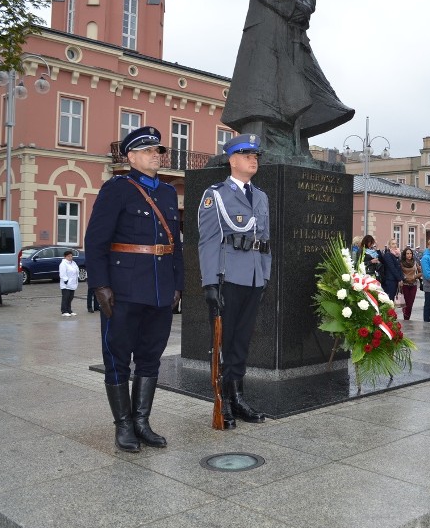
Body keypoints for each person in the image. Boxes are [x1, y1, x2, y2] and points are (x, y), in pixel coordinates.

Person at [84, 126, 183, 452]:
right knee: (117, 358)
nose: (158, 155)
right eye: (151, 150)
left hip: (159, 291)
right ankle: (123, 425)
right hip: (123, 289)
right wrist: (100, 285)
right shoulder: (117, 189)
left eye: (159, 151)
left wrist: (177, 284)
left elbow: (176, 245)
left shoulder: (168, 194)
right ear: (132, 156)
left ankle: (142, 422)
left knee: (150, 358)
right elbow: (95, 241)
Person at [221, 0, 354, 157]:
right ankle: (261, 140)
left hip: (294, 30)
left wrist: (304, 7)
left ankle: (296, 141)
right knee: (262, 90)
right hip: (266, 22)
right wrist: (291, 6)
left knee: (299, 84)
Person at [198, 133, 271, 427]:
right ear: (232, 160)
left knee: (241, 342)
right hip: (228, 278)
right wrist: (210, 283)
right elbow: (207, 241)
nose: (253, 160)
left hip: (253, 278)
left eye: (255, 156)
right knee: (224, 343)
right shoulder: (215, 194)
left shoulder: (262, 196)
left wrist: (264, 275)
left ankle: (238, 397)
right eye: (247, 155)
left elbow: (264, 240)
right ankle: (223, 400)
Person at [400, 247, 421, 320]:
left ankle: (407, 318)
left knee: (410, 303)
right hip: (405, 285)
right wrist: (404, 278)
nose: (409, 255)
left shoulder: (415, 262)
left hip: (413, 284)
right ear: (404, 255)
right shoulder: (401, 263)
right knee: (405, 303)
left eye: (410, 253)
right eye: (407, 254)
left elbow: (421, 272)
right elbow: (399, 273)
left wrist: (415, 276)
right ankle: (406, 318)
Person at [58, 250, 79, 317]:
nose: (70, 257)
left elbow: (76, 270)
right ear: (65, 257)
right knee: (66, 297)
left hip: (73, 283)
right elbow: (62, 273)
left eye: (71, 256)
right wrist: (66, 280)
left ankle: (69, 310)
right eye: (68, 256)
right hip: (66, 285)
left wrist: (77, 277)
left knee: (70, 297)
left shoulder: (73, 263)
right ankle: (64, 311)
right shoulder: (63, 264)